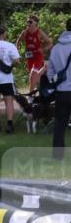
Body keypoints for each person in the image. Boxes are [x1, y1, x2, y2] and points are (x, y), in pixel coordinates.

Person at [48, 16, 71, 159]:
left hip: (61, 92)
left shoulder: (56, 48)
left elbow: (50, 72)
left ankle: (57, 155)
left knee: (60, 124)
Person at [15, 15, 53, 94]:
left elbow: (50, 43)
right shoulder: (25, 32)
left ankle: (30, 95)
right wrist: (17, 51)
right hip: (29, 56)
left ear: (36, 23)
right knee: (33, 76)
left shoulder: (39, 32)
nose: (28, 23)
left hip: (38, 56)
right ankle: (41, 91)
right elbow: (18, 42)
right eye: (27, 21)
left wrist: (43, 49)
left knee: (33, 73)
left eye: (30, 22)